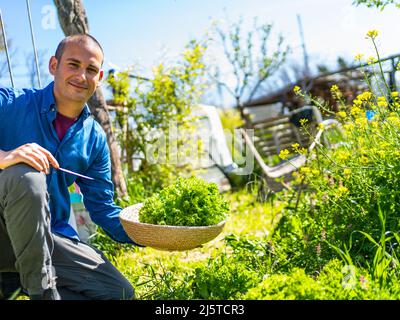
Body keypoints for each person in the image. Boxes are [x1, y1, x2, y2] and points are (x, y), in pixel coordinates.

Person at [0, 34, 141, 300]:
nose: (81, 76)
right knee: (28, 177)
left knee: (119, 293)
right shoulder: (9, 103)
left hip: (48, 238)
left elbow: (102, 209)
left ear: (99, 78)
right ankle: (42, 293)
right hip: (2, 230)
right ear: (54, 65)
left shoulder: (94, 138)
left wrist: (152, 233)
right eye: (73, 65)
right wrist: (4, 156)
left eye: (90, 70)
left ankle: (17, 283)